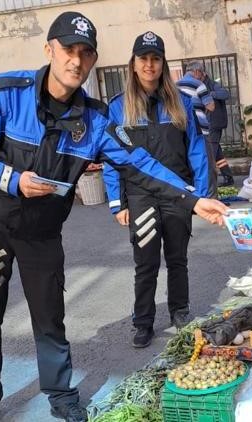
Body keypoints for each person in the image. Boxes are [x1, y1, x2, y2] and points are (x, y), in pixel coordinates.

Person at [0, 12, 227, 422]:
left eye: (86, 54)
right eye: (68, 50)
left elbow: (140, 164)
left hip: (42, 235)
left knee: (49, 319)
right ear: (49, 50)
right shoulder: (6, 93)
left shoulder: (97, 120)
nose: (76, 61)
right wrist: (10, 178)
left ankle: (62, 397)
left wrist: (192, 200)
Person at [103, 31, 214, 348]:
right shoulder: (118, 108)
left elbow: (196, 149)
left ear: (163, 64)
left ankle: (180, 311)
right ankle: (143, 322)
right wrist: (117, 202)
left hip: (178, 192)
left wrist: (201, 196)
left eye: (155, 58)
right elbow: (111, 159)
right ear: (134, 64)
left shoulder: (181, 103)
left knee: (178, 259)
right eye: (144, 59)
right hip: (140, 196)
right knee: (146, 262)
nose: (150, 65)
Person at [176, 62, 218, 195]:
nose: (203, 76)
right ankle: (210, 198)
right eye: (202, 73)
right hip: (199, 129)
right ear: (197, 72)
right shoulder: (199, 84)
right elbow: (211, 106)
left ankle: (192, 197)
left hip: (179, 130)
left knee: (187, 164)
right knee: (206, 164)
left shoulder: (175, 86)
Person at [202, 71, 234, 187]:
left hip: (214, 123)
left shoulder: (212, 84)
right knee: (217, 153)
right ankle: (228, 177)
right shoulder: (200, 85)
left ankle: (210, 182)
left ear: (203, 74)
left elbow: (225, 94)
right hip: (209, 123)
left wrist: (210, 94)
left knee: (211, 152)